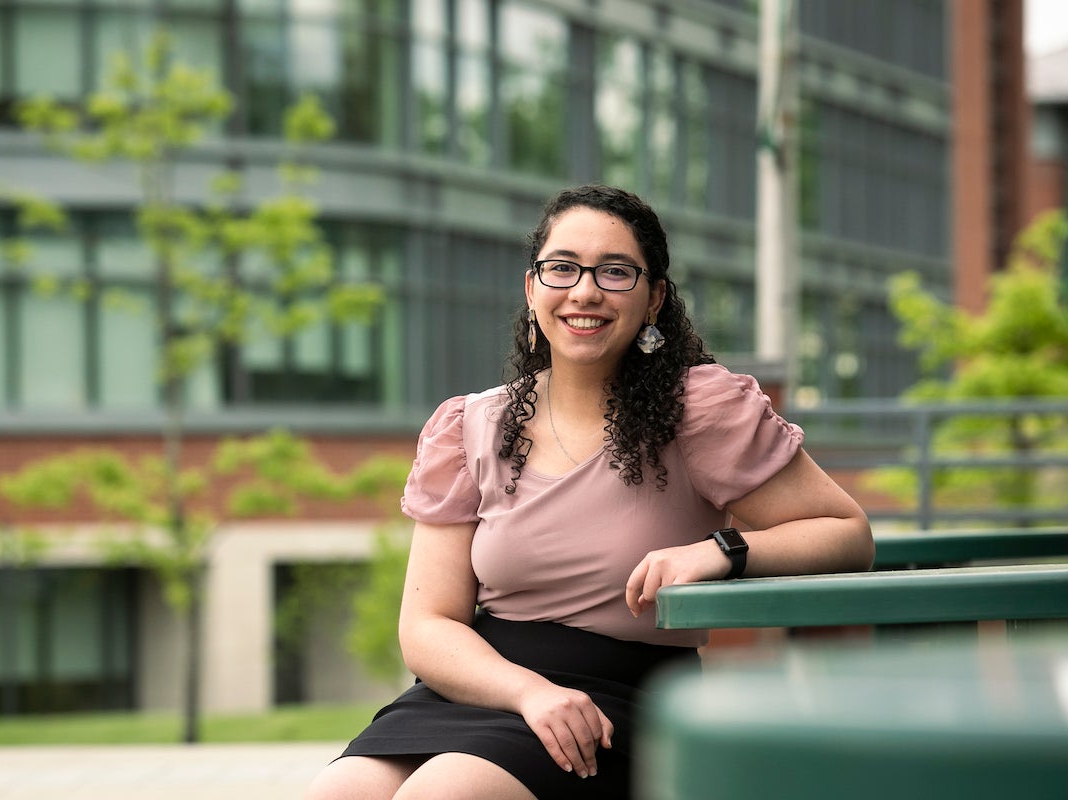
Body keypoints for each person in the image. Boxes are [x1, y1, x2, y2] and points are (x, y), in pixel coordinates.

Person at [304, 184, 873, 800]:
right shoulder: (470, 427)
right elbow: (427, 624)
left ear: (654, 298)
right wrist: (527, 692)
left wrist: (720, 551)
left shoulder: (698, 411)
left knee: (443, 793)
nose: (585, 291)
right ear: (531, 289)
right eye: (562, 267)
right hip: (485, 685)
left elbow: (847, 534)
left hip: (620, 698)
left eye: (616, 271)